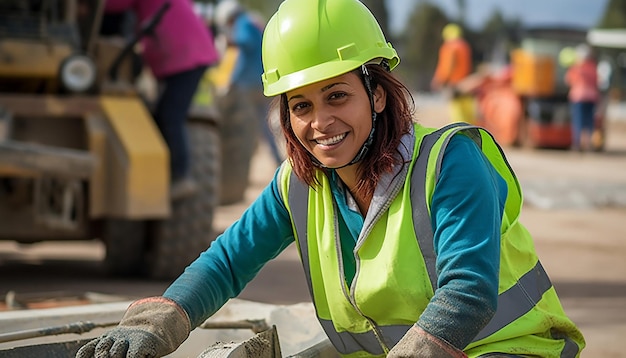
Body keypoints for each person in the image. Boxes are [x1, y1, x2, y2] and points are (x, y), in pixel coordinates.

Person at [76, 0, 585, 357]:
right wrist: (161, 322)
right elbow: (227, 262)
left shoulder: (449, 162)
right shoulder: (298, 184)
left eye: (337, 96)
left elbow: (468, 290)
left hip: (511, 351)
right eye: (301, 105)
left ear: (377, 95)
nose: (319, 122)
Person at [104, 0, 220, 199]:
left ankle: (180, 176)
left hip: (186, 57)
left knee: (170, 116)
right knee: (165, 114)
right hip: (189, 53)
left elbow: (112, 5)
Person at [214, 0, 284, 166]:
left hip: (253, 85)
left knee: (260, 125)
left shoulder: (243, 24)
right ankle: (277, 159)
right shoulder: (251, 21)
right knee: (266, 124)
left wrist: (233, 80)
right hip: (262, 81)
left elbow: (244, 51)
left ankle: (276, 161)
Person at [431, 23, 477, 124]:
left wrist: (440, 79)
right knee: (469, 115)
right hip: (466, 82)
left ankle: (462, 133)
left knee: (458, 116)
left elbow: (448, 65)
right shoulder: (465, 46)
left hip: (454, 85)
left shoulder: (449, 47)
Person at [564, 44, 600, 152]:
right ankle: (588, 145)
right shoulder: (593, 68)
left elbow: (568, 80)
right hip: (592, 97)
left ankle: (577, 144)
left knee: (578, 121)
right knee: (589, 122)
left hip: (578, 97)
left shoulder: (576, 68)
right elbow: (597, 82)